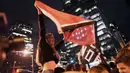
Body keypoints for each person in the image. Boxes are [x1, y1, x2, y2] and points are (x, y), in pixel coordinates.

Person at [35, 4, 60, 73]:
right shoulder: (44, 45)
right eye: (50, 38)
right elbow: (42, 29)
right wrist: (40, 14)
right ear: (46, 39)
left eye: (53, 38)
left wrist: (66, 37)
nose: (52, 40)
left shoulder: (53, 49)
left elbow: (60, 44)